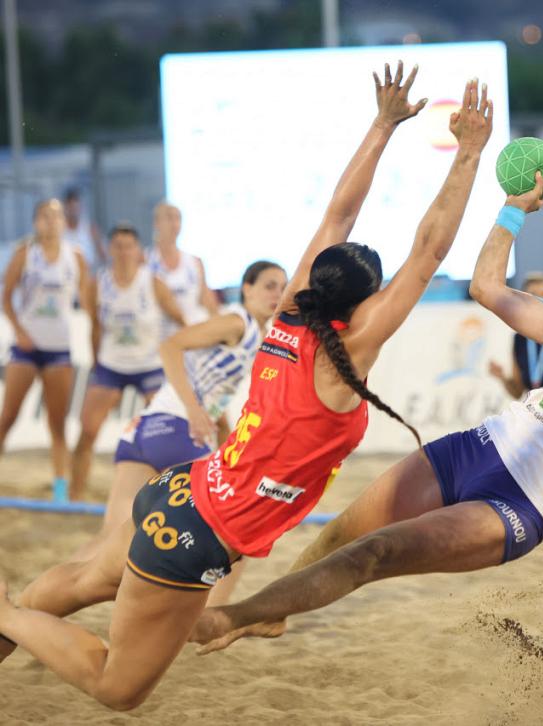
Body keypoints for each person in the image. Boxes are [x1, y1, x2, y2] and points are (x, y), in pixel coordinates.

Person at [0, 62, 490, 711]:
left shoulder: (287, 311)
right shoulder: (345, 352)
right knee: (118, 687)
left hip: (185, 488)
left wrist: (381, 127)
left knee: (86, 578)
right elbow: (427, 254)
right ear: (365, 307)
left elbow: (338, 212)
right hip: (197, 533)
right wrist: (469, 154)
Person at [186, 186, 543, 658]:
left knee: (374, 554)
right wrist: (512, 211)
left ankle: (230, 618)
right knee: (342, 532)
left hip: (521, 503)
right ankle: (271, 614)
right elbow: (486, 287)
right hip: (474, 448)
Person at [64, 260, 287, 605]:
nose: (277, 294)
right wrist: (196, 412)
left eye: (282, 287)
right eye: (270, 285)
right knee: (240, 528)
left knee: (110, 539)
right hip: (178, 430)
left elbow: (215, 393)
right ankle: (212, 615)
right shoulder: (236, 322)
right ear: (247, 288)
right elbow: (170, 347)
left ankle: (33, 600)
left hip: (144, 430)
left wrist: (222, 430)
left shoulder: (255, 335)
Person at [69, 223, 186, 501]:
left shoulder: (154, 283)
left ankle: (169, 496)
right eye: (118, 246)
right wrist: (97, 361)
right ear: (110, 249)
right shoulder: (99, 283)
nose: (123, 252)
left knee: (167, 434)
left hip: (149, 366)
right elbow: (95, 327)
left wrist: (177, 359)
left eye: (128, 246)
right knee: (87, 430)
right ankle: (73, 496)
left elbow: (181, 322)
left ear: (138, 250)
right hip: (112, 366)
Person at [0, 199, 91, 497]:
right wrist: (20, 331)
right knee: (9, 416)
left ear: (65, 222)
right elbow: (6, 296)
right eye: (44, 216)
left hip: (59, 349)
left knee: (57, 423)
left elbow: (88, 299)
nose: (50, 221)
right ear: (35, 221)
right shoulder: (25, 254)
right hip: (26, 348)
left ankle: (60, 489)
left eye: (56, 216)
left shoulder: (75, 257)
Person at [149, 201, 220, 334]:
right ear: (156, 223)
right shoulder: (145, 262)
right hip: (161, 336)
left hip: (193, 333)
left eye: (178, 218)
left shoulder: (194, 262)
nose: (175, 223)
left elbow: (207, 300)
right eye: (169, 218)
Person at [487, 271, 543, 398]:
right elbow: (518, 392)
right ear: (522, 301)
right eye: (533, 295)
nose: (539, 299)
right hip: (533, 411)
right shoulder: (520, 339)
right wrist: (502, 377)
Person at [61, 187, 106, 269]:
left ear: (80, 207)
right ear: (65, 207)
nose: (73, 210)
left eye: (75, 206)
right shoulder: (59, 229)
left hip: (88, 271)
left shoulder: (91, 228)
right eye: (70, 207)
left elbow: (103, 255)